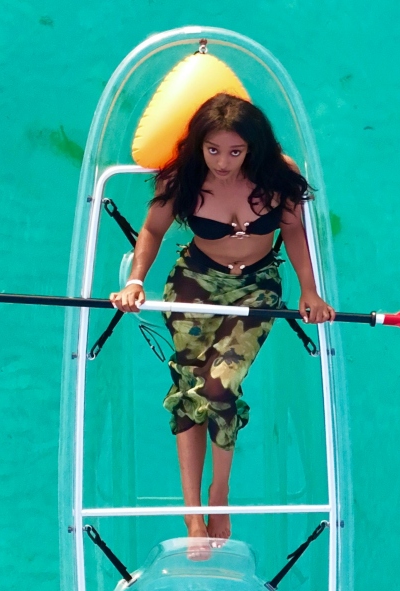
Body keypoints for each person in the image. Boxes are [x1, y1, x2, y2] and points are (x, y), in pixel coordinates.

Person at [109, 93, 335, 543]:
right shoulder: (184, 177)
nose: (223, 162)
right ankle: (193, 511)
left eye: (235, 151)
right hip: (195, 282)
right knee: (190, 385)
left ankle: (220, 492)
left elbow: (292, 230)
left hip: (257, 286)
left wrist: (311, 291)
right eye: (213, 150)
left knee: (220, 386)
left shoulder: (278, 176)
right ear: (200, 145)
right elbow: (152, 230)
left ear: (254, 147)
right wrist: (135, 282)